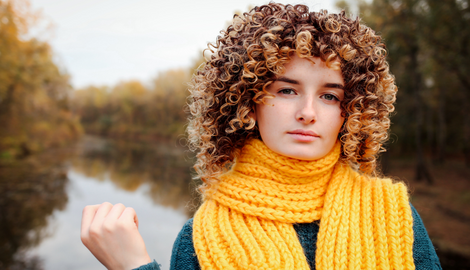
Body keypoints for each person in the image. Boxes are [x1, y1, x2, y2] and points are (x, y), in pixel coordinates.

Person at [80, 3, 442, 270]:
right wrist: (133, 266)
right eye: (287, 90)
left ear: (352, 112)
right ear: (248, 103)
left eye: (330, 96)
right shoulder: (200, 239)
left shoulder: (394, 214)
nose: (308, 111)